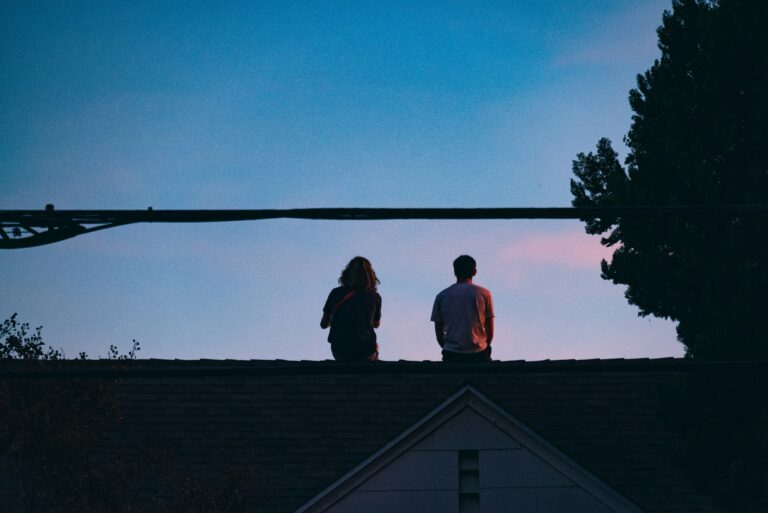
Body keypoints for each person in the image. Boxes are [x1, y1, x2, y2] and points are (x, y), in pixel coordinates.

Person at [431, 255, 494, 362]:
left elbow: (438, 331)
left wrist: (447, 346)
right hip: (479, 352)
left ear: (455, 272)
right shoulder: (484, 293)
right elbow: (489, 328)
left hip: (451, 353)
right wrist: (485, 345)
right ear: (474, 272)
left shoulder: (441, 296)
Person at [321, 256, 382, 362]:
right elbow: (376, 325)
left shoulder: (335, 293)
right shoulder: (375, 297)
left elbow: (323, 324)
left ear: (347, 274)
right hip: (365, 352)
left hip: (340, 351)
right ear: (371, 276)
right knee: (375, 345)